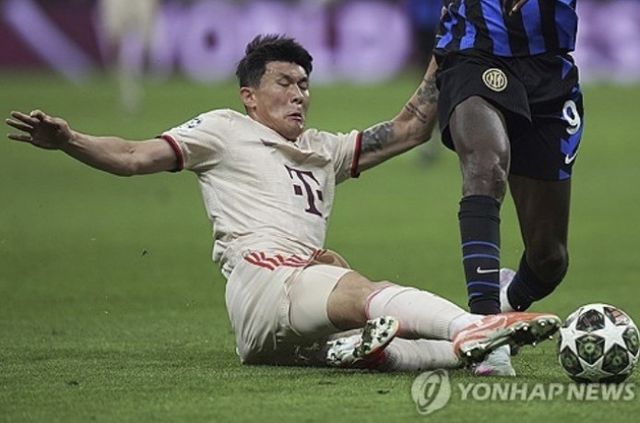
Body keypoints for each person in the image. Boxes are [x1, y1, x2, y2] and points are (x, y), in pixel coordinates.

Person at [5, 34, 559, 372]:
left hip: (292, 315)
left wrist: (450, 46)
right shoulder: (223, 130)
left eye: (304, 84)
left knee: (398, 344)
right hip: (264, 283)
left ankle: (472, 352)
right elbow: (132, 155)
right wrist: (70, 140)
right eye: (285, 83)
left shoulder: (323, 149)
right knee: (362, 290)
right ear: (249, 96)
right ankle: (476, 324)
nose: (299, 94)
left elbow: (411, 128)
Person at [433, 0, 583, 374]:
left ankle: (505, 302)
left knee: (549, 260)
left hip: (550, 71)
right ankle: (486, 334)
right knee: (485, 167)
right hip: (475, 52)